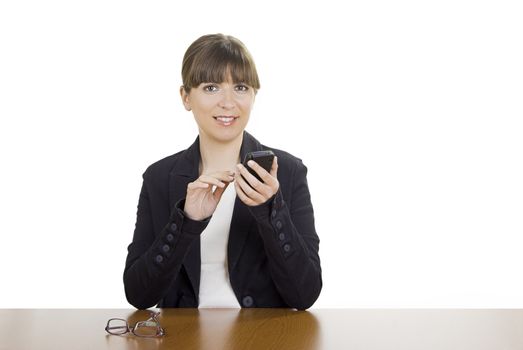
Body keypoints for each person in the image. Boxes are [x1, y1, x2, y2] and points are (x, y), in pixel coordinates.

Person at [123, 34, 321, 310]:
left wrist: (270, 211)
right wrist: (187, 221)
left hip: (262, 336)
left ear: (254, 95)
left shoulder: (287, 172)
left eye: (240, 87)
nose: (228, 103)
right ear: (186, 97)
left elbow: (305, 295)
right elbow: (138, 295)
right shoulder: (159, 177)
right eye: (211, 87)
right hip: (183, 337)